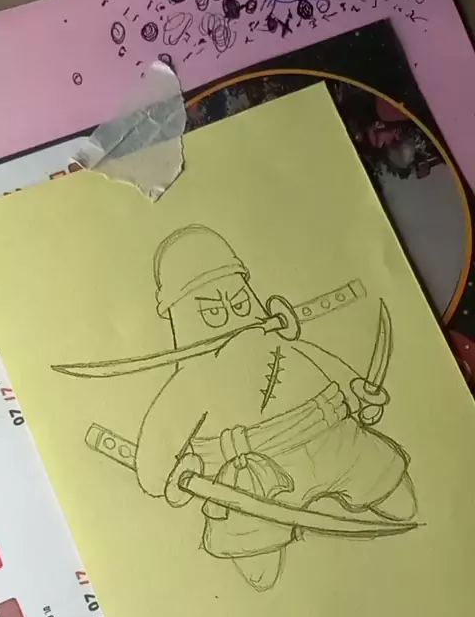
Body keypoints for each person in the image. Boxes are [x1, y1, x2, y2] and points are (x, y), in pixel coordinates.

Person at [135, 225, 417, 591]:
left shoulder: (284, 344)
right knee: (255, 548)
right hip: (255, 472)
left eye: (239, 304)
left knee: (394, 493)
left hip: (332, 437)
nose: (234, 319)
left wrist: (357, 392)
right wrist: (169, 473)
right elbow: (156, 453)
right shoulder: (189, 384)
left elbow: (326, 366)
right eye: (214, 313)